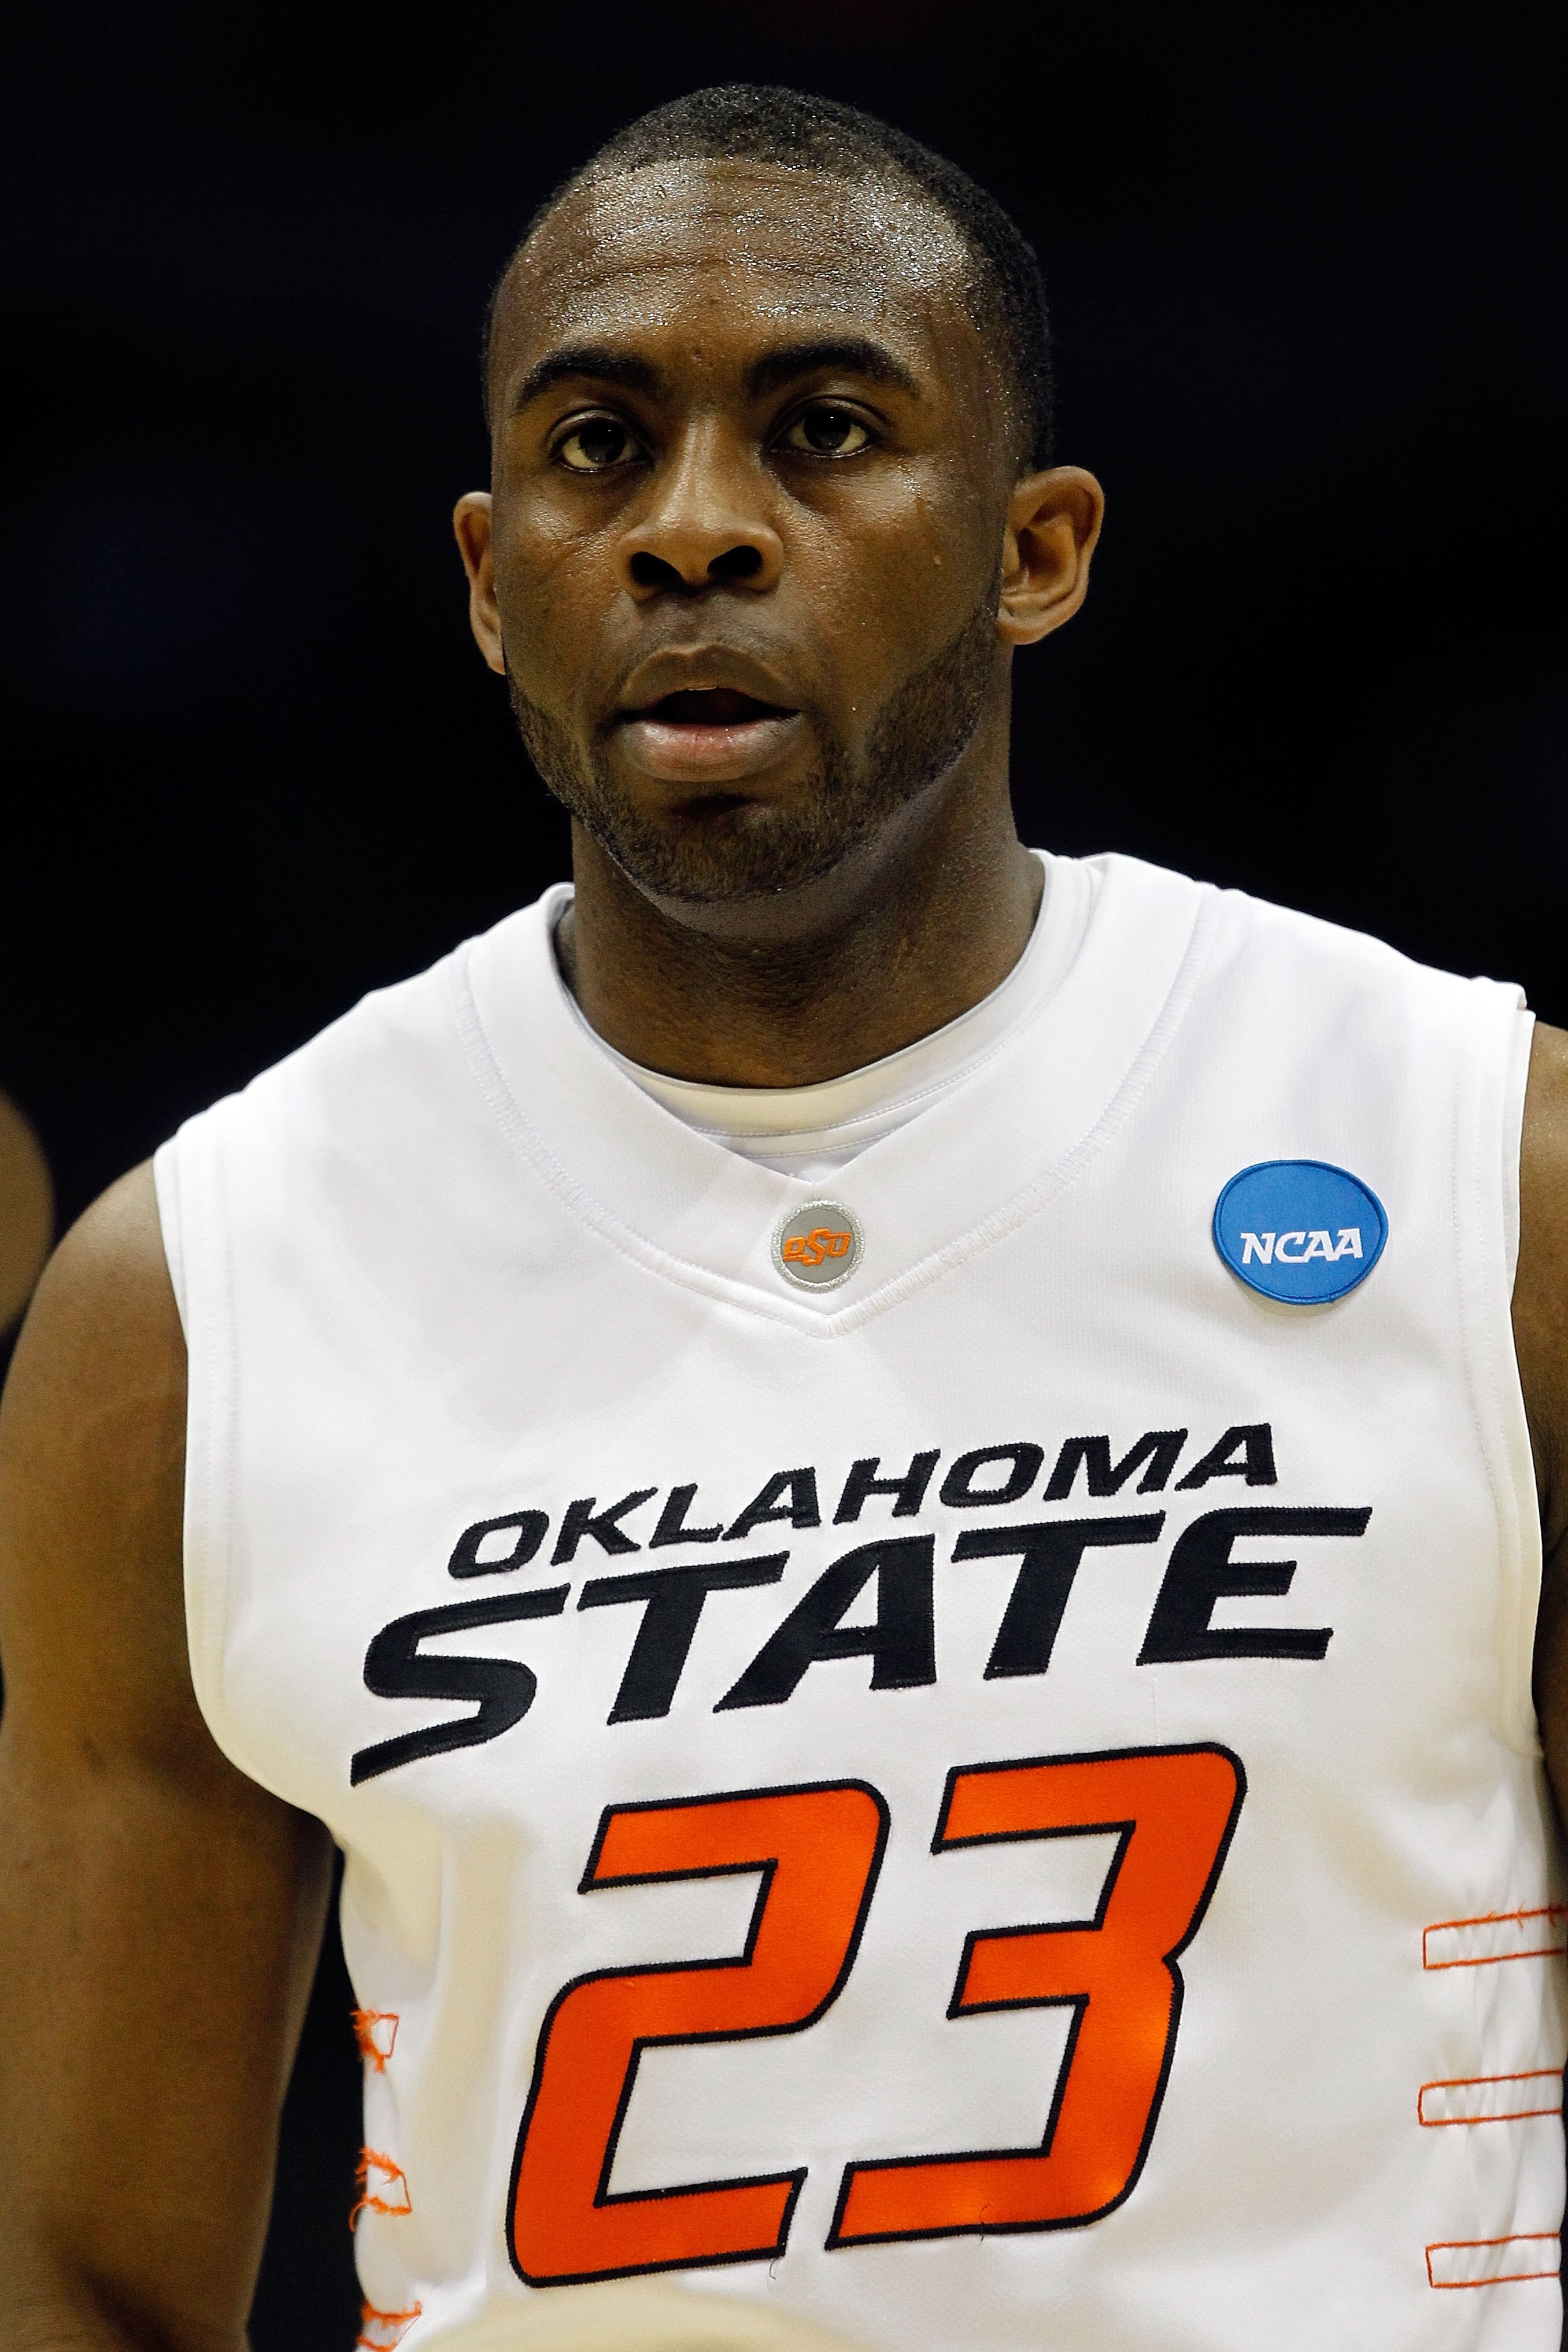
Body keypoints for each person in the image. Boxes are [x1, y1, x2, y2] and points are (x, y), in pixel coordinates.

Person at [2, 80, 1566, 2352]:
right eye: (597, 448)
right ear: (485, 577)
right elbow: (83, 2276)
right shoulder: (191, 1305)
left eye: (825, 434)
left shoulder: (1481, 1177)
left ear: (1038, 548)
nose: (695, 531)